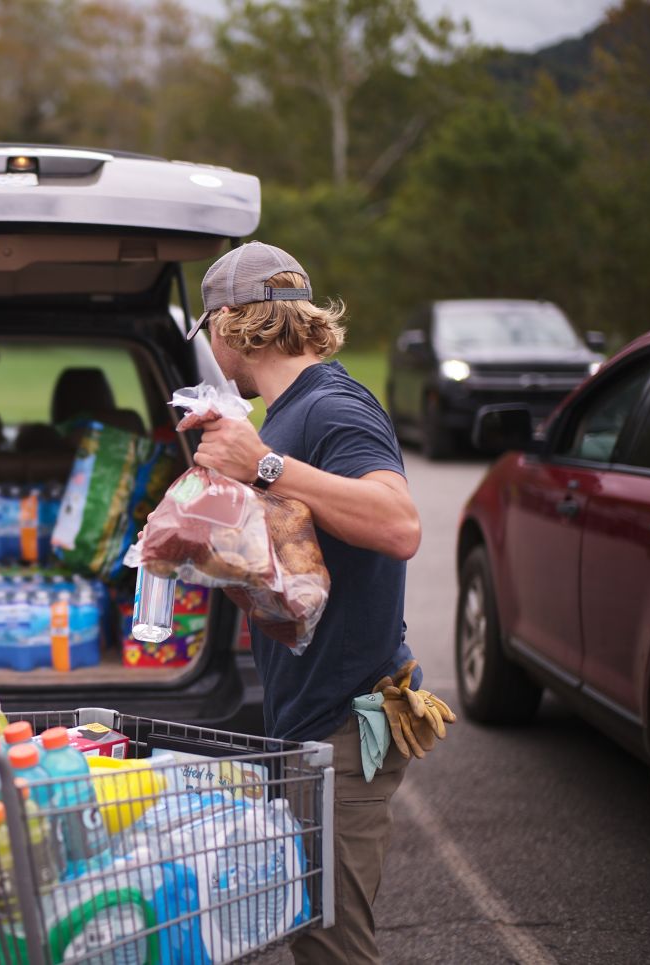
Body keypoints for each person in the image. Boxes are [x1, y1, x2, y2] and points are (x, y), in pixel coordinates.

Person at [183, 242, 425, 964]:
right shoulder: (285, 412)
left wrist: (262, 464)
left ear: (230, 325)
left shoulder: (332, 405)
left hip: (343, 727)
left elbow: (398, 523)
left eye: (210, 333)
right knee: (310, 929)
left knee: (332, 944)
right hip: (306, 719)